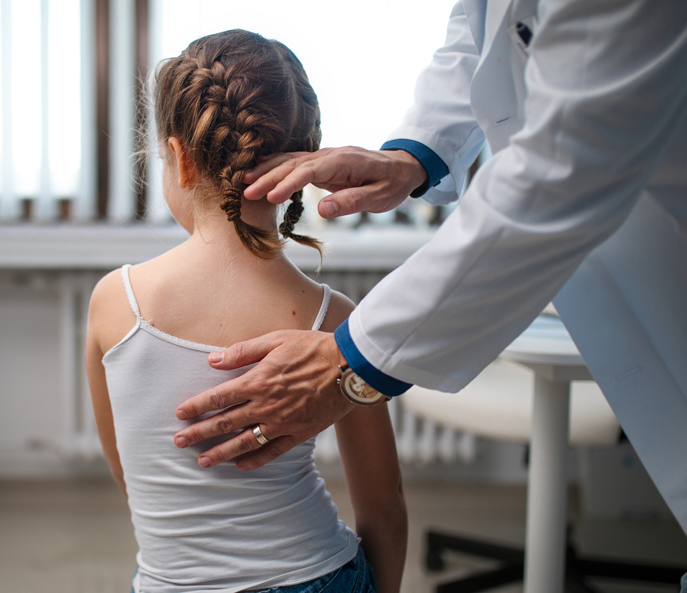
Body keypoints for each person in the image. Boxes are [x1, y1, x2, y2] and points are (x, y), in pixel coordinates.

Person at [171, 0, 687, 534]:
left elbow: (564, 165)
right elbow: (481, 41)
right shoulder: (327, 312)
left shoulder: (123, 300)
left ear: (178, 157)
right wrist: (413, 156)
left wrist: (353, 358)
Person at [85, 29, 406, 593]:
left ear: (180, 158)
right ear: (304, 164)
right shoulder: (335, 320)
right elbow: (384, 508)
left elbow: (128, 474)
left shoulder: (116, 301)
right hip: (319, 575)